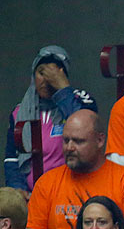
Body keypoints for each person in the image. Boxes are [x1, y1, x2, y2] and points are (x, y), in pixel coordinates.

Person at [22, 111, 124, 229]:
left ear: (100, 141)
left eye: (78, 141)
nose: (69, 147)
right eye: (66, 140)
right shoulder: (47, 181)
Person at [5, 45, 98, 191]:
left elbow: (84, 127)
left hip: (70, 190)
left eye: (53, 73)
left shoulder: (82, 101)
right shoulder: (19, 112)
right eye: (42, 73)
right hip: (30, 194)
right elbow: (11, 160)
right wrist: (19, 190)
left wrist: (63, 89)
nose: (47, 79)